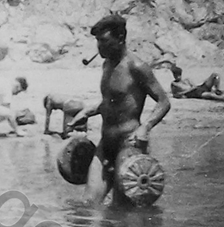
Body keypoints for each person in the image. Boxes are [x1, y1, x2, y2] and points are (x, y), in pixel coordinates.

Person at [73, 14, 171, 204]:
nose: (100, 47)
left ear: (120, 38)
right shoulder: (107, 65)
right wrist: (88, 112)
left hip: (129, 144)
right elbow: (112, 102)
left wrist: (146, 126)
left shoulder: (137, 66)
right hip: (106, 143)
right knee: (88, 204)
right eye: (98, 42)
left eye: (105, 42)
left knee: (122, 209)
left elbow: (163, 101)